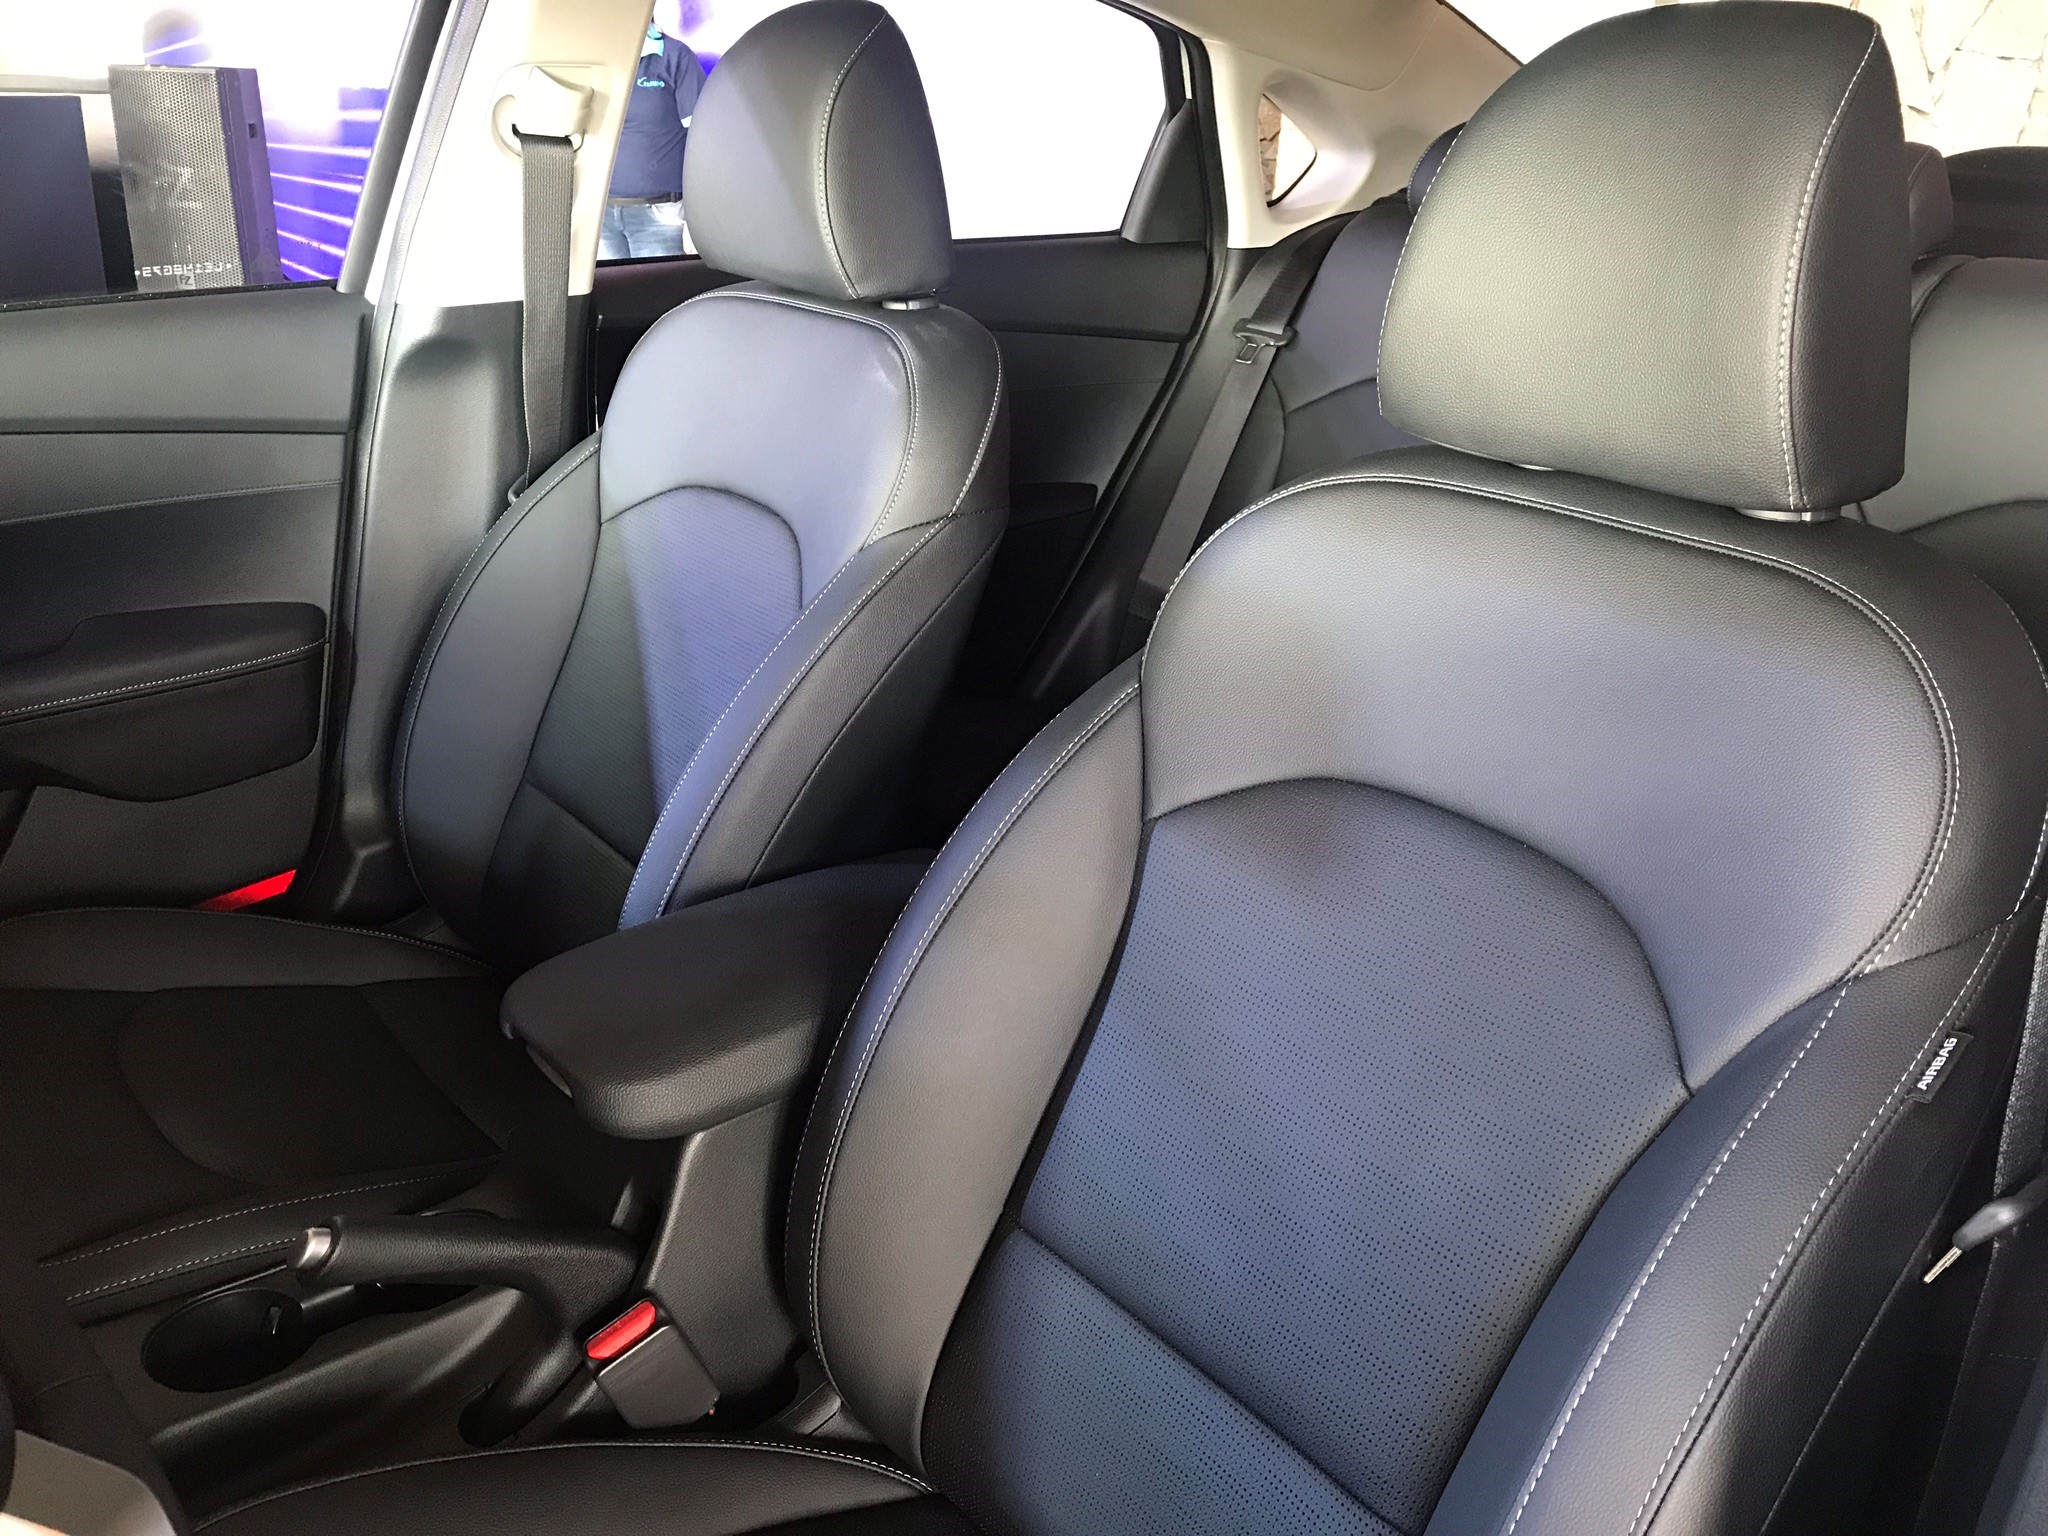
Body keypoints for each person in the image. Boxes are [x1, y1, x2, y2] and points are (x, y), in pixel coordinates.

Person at [600, 6, 705, 261]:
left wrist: (700, 214)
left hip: (658, 214)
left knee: (655, 288)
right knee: (608, 288)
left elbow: (703, 138)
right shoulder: (597, 60)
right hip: (600, 215)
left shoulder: (675, 57)